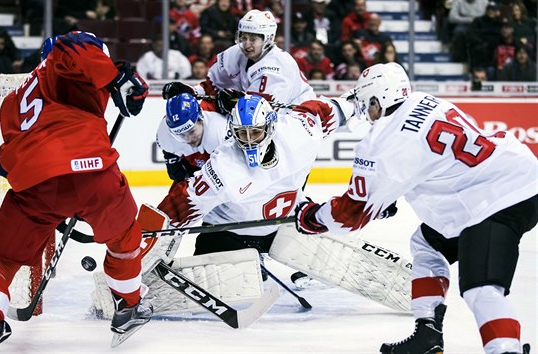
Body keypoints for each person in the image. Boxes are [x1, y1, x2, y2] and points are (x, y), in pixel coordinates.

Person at [295, 62, 537, 354]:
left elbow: (348, 216)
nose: (366, 112)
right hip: (514, 175)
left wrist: (311, 218)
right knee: (427, 244)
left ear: (378, 100)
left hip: (492, 200)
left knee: (481, 289)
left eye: (367, 103)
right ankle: (427, 333)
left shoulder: (381, 142)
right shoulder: (425, 100)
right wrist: (386, 197)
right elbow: (433, 161)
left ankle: (505, 350)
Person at [0, 31, 152, 354]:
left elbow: (4, 161)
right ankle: (129, 305)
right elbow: (73, 45)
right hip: (94, 174)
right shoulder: (67, 57)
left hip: (37, 186)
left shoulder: (12, 101)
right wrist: (117, 77)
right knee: (124, 241)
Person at [157, 93, 353, 263]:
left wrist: (359, 104)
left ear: (270, 127)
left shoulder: (299, 131)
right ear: (233, 133)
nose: (249, 141)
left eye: (256, 133)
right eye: (242, 134)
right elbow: (184, 201)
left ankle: (297, 238)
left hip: (288, 218)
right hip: (230, 231)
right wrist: (148, 235)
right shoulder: (224, 165)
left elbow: (327, 110)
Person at [162, 9, 316, 116]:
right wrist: (190, 92)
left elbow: (259, 113)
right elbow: (212, 87)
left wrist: (234, 102)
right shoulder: (235, 53)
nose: (246, 44)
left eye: (253, 38)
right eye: (243, 37)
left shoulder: (278, 67)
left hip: (296, 117)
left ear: (268, 39)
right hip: (261, 121)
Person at [157, 93, 231, 184]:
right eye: (181, 135)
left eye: (192, 131)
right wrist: (171, 156)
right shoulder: (166, 135)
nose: (188, 139)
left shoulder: (219, 130)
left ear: (200, 119)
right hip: (194, 167)